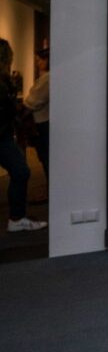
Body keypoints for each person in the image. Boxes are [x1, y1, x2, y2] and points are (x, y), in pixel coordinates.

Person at [0, 39, 47, 232]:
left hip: (3, 133)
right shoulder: (2, 82)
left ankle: (17, 218)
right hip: (1, 134)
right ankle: (17, 218)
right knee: (21, 170)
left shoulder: (4, 81)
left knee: (20, 170)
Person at [23, 47, 50, 190]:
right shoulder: (47, 78)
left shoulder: (47, 79)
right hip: (44, 122)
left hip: (43, 123)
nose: (37, 63)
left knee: (46, 158)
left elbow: (33, 102)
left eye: (39, 60)